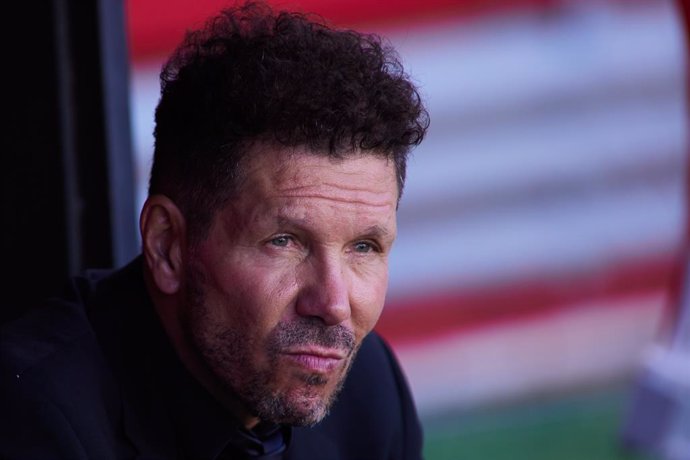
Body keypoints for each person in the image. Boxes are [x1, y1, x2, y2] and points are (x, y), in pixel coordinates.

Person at [0, 1, 429, 458]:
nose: (333, 304)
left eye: (363, 247)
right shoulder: (32, 420)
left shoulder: (370, 393)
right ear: (167, 245)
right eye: (284, 242)